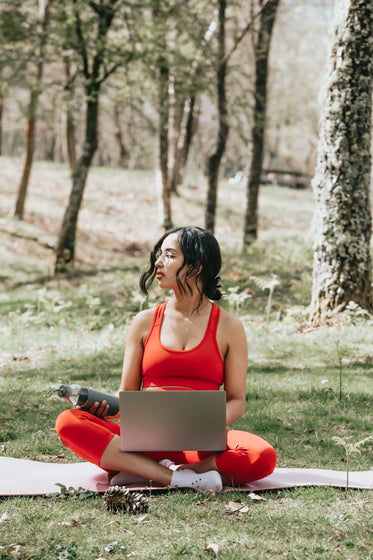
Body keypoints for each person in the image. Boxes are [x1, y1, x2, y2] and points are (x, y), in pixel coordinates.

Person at [56, 226, 276, 492]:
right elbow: (126, 394)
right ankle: (175, 478)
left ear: (196, 265)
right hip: (143, 439)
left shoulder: (230, 328)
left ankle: (143, 470)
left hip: (198, 445)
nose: (158, 263)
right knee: (68, 421)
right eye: (159, 255)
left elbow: (236, 401)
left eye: (170, 256)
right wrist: (106, 407)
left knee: (261, 454)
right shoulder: (144, 321)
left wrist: (200, 422)